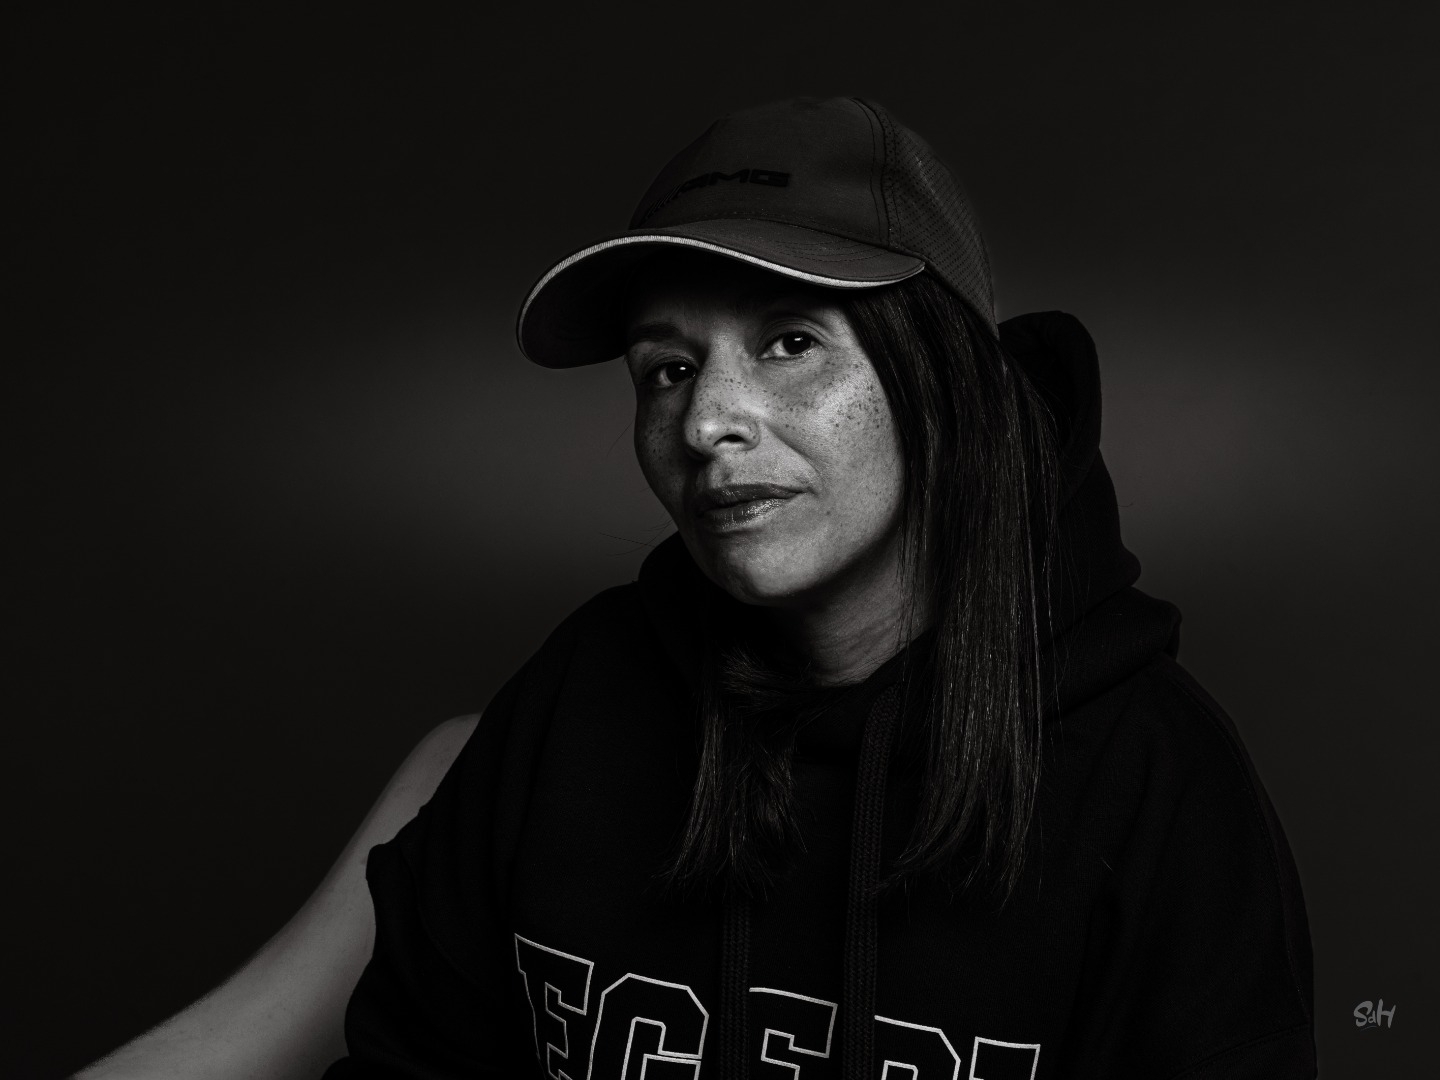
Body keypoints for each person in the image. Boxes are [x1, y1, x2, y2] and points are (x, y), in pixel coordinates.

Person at [75, 97, 1316, 1079]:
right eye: (666, 367)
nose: (708, 419)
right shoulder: (576, 702)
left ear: (944, 383)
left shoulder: (1151, 783)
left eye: (790, 342)